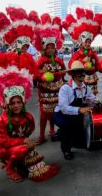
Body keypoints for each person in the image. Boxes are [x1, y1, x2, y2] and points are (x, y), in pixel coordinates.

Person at [0, 51, 59, 182]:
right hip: (5, 149)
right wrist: (23, 141)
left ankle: (16, 161)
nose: (16, 105)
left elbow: (30, 130)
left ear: (23, 102)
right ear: (7, 104)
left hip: (20, 145)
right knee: (21, 150)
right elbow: (3, 141)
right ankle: (9, 168)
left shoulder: (28, 117)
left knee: (27, 152)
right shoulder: (1, 121)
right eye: (12, 103)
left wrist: (26, 140)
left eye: (19, 102)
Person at [54, 60, 99, 160]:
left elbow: (93, 99)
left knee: (82, 125)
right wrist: (80, 109)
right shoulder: (65, 88)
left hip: (76, 113)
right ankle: (66, 149)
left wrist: (95, 102)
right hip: (61, 114)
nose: (82, 74)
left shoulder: (86, 88)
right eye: (79, 72)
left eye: (83, 72)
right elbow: (64, 108)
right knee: (66, 126)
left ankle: (77, 141)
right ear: (72, 74)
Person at [33, 13, 66, 145]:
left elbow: (63, 73)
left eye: (53, 46)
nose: (51, 49)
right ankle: (41, 135)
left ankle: (52, 131)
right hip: (44, 92)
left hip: (57, 91)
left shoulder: (58, 60)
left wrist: (57, 74)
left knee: (54, 112)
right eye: (48, 47)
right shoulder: (40, 60)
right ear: (44, 48)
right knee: (44, 114)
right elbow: (34, 75)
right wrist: (42, 73)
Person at [63, 7, 102, 95]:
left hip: (93, 81)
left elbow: (98, 67)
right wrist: (82, 62)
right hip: (81, 81)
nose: (87, 44)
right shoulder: (77, 54)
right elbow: (71, 65)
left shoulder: (93, 53)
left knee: (92, 100)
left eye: (89, 42)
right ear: (81, 43)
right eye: (85, 42)